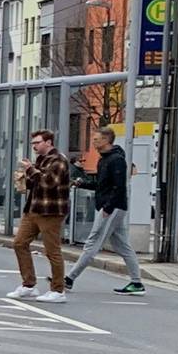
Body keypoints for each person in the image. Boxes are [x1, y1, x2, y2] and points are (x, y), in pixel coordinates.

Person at [66, 127, 147, 296]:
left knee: (93, 242)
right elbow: (101, 185)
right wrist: (81, 184)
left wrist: (108, 208)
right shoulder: (104, 160)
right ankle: (136, 282)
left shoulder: (116, 160)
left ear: (106, 140)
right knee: (123, 246)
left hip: (112, 207)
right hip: (111, 206)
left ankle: (69, 279)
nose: (93, 142)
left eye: (96, 139)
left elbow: (119, 187)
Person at [8, 129, 73, 302]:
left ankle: (58, 290)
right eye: (33, 143)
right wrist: (24, 179)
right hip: (34, 209)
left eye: (37, 143)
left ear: (49, 142)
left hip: (50, 211)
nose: (34, 146)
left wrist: (30, 170)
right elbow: (36, 183)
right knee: (19, 243)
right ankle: (29, 284)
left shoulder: (59, 160)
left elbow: (48, 183)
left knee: (52, 250)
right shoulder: (41, 160)